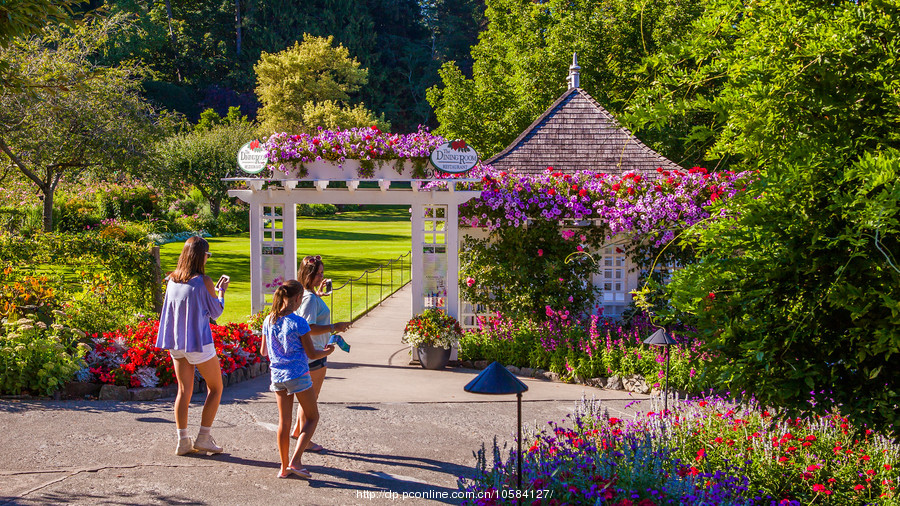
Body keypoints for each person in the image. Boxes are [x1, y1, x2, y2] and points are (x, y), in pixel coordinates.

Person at [156, 236, 229, 456]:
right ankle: (204, 438)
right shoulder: (203, 281)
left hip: (176, 344)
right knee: (216, 388)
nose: (208, 258)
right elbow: (216, 312)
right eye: (208, 254)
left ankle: (183, 440)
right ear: (201, 256)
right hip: (199, 343)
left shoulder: (172, 279)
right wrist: (221, 292)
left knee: (183, 391)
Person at [260, 280, 334, 479]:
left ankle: (284, 467)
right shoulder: (298, 322)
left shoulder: (269, 320)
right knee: (312, 417)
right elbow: (311, 352)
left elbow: (263, 350)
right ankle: (296, 460)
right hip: (298, 374)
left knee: (284, 422)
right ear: (297, 299)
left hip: (277, 375)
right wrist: (327, 351)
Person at [292, 255, 351, 448]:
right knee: (309, 399)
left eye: (322, 273)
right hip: (315, 352)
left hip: (310, 351)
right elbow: (308, 326)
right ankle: (304, 438)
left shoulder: (304, 295)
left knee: (305, 396)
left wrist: (317, 295)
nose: (321, 277)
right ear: (306, 274)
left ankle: (297, 429)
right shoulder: (308, 299)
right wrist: (335, 326)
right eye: (316, 274)